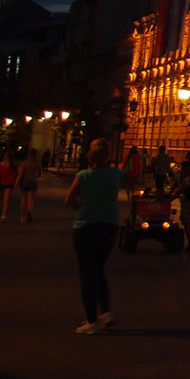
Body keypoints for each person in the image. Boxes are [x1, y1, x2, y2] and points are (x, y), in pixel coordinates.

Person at [64, 139, 124, 333]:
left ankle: (91, 321)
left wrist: (80, 207)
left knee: (87, 274)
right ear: (108, 155)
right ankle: (106, 313)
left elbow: (69, 200)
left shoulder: (82, 176)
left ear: (89, 155)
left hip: (86, 226)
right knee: (99, 270)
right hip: (109, 226)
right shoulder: (116, 174)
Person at [18, 147, 42, 223]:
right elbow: (39, 173)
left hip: (25, 181)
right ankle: (30, 211)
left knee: (23, 200)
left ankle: (22, 217)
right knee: (31, 200)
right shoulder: (37, 163)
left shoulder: (24, 163)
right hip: (33, 181)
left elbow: (21, 174)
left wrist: (17, 183)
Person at [0, 149, 19, 221]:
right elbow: (16, 175)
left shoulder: (1, 164)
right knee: (6, 200)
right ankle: (4, 215)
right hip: (10, 183)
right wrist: (15, 185)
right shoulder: (14, 165)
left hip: (1, 183)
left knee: (0, 200)